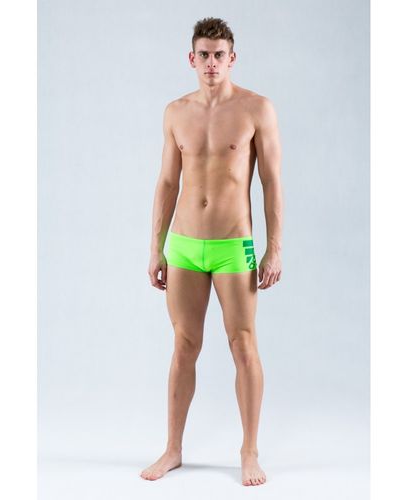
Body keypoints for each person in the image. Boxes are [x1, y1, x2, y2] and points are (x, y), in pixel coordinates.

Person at [141, 17, 283, 487]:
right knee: (184, 346)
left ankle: (249, 451)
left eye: (219, 55)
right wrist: (156, 248)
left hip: (233, 245)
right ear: (191, 58)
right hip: (184, 245)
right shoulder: (175, 112)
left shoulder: (256, 109)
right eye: (203, 54)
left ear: (232, 58)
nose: (211, 63)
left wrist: (274, 248)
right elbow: (167, 182)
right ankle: (173, 449)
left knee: (243, 342)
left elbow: (271, 182)